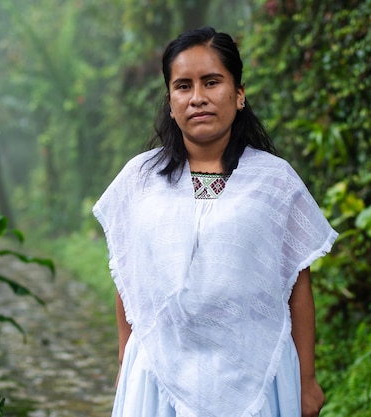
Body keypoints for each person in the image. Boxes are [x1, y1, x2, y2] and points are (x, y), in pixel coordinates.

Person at [93, 26, 337, 417]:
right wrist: (126, 363)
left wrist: (307, 381)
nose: (198, 98)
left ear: (238, 94)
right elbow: (130, 279)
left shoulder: (274, 181)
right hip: (157, 374)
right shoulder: (139, 180)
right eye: (183, 86)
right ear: (171, 102)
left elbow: (297, 285)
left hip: (258, 373)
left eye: (212, 82)